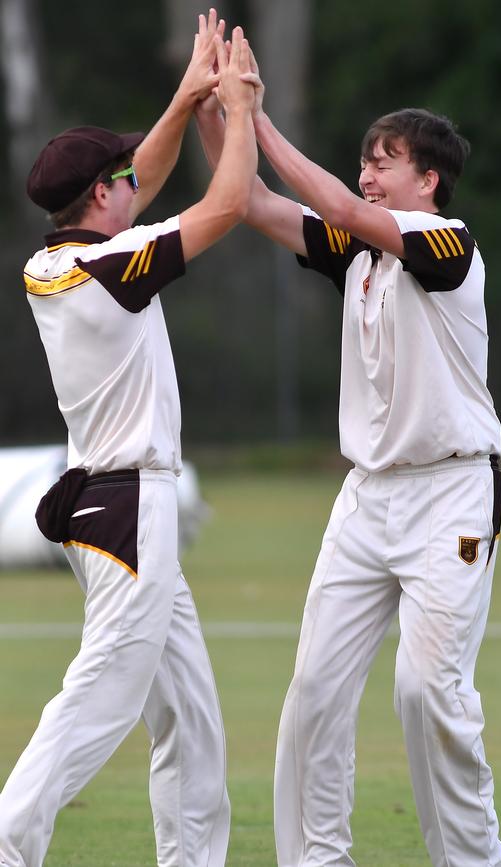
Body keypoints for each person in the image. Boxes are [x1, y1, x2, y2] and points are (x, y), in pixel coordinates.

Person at [195, 48, 501, 867]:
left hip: (452, 494)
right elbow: (253, 201)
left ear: (429, 181)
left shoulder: (447, 245)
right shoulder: (360, 255)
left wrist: (257, 116)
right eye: (365, 164)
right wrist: (215, 110)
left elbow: (328, 199)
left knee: (426, 691)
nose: (366, 177)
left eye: (384, 164)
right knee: (315, 693)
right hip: (368, 498)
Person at [0, 13, 257, 867]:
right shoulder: (116, 264)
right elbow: (223, 203)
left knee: (188, 715)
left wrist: (187, 96)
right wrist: (241, 108)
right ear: (104, 194)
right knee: (101, 698)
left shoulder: (58, 259)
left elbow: (135, 181)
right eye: (121, 178)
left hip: (105, 502)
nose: (132, 182)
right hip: (129, 508)